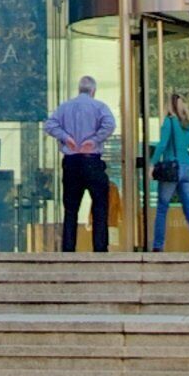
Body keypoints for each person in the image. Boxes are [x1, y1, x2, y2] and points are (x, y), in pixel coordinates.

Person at [43, 75, 117, 254]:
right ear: (93, 91)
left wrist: (65, 137)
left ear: (79, 89)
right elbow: (110, 124)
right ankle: (100, 248)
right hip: (92, 159)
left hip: (72, 161)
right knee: (100, 206)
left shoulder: (65, 107)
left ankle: (68, 248)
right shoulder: (99, 106)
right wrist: (94, 140)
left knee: (71, 208)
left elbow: (49, 125)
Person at [145, 91, 189, 252]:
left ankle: (158, 246)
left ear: (168, 106)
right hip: (187, 169)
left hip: (171, 167)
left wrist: (152, 163)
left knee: (162, 206)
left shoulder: (169, 121)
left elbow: (162, 144)